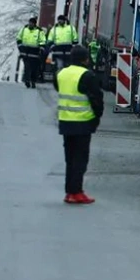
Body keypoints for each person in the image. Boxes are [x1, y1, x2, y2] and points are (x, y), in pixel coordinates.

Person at [56, 45, 104, 204]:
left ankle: (69, 191)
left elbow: (59, 89)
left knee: (70, 159)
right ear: (85, 59)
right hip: (82, 123)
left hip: (65, 122)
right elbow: (96, 99)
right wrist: (97, 117)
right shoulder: (87, 75)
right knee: (80, 159)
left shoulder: (61, 74)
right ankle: (77, 192)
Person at [16, 16, 46, 88]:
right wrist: (20, 48)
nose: (30, 24)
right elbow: (18, 39)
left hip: (34, 53)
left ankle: (33, 81)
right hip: (25, 52)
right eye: (29, 22)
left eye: (32, 23)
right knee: (27, 68)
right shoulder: (24, 29)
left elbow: (42, 42)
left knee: (34, 69)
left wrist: (41, 50)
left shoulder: (39, 31)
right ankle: (27, 81)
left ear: (35, 24)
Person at [47, 15, 78, 83]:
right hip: (58, 53)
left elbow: (75, 40)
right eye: (59, 20)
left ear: (64, 20)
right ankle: (59, 81)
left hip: (68, 53)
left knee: (68, 68)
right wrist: (52, 47)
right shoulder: (54, 29)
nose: (59, 21)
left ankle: (67, 81)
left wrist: (73, 48)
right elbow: (49, 40)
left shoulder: (71, 28)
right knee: (59, 67)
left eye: (61, 20)